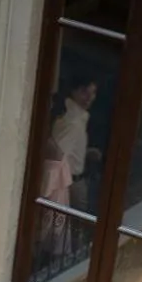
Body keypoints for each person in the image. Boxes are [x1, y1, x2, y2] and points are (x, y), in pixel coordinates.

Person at [50, 76, 100, 212]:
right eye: (84, 92)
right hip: (69, 182)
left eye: (93, 93)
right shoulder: (73, 121)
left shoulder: (77, 115)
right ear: (73, 91)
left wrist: (85, 152)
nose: (89, 98)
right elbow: (57, 153)